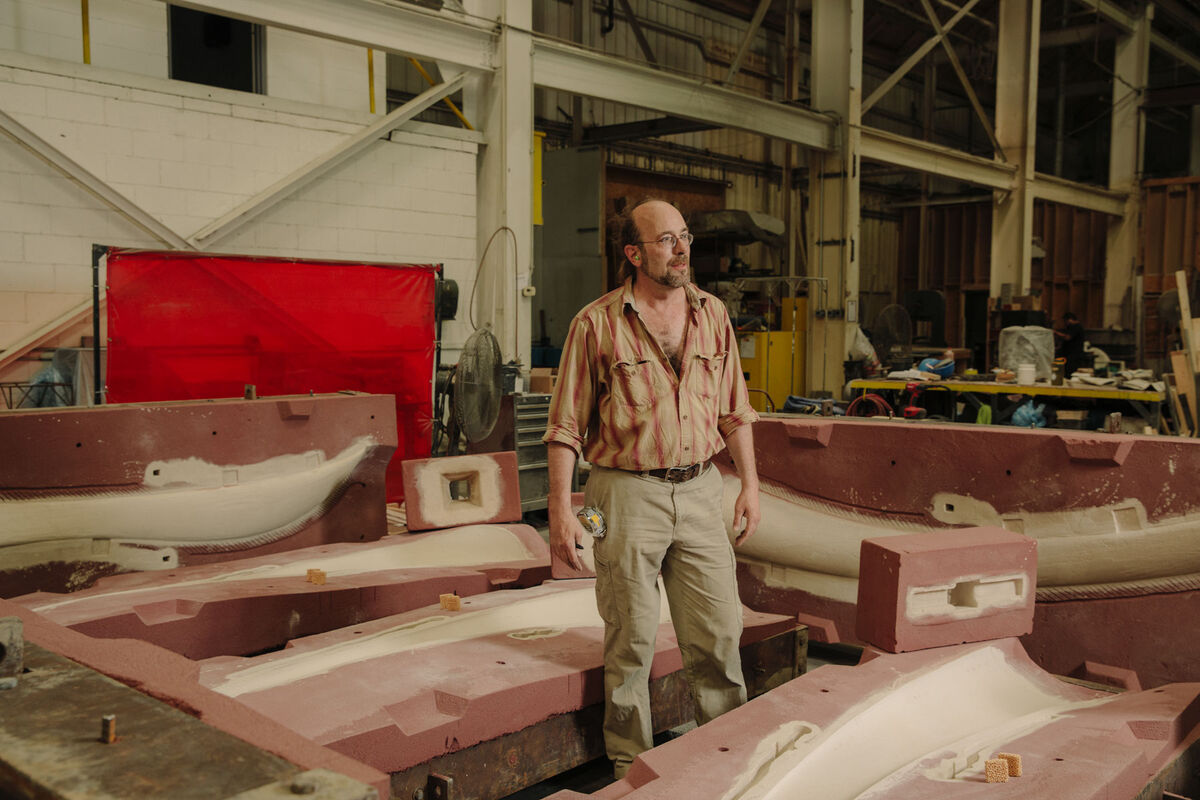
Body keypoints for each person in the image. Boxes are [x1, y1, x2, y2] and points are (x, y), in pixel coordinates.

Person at [543, 197, 761, 779]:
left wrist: (750, 486)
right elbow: (565, 426)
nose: (682, 248)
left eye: (685, 236)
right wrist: (561, 511)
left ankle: (727, 760)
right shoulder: (595, 324)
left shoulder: (713, 314)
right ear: (635, 253)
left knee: (719, 634)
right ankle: (629, 768)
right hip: (626, 494)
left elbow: (735, 410)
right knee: (631, 640)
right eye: (666, 240)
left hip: (699, 491)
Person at [1054, 311, 1085, 376]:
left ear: (1069, 319)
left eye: (1065, 321)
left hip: (1073, 354)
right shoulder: (1071, 327)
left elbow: (1068, 337)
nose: (1065, 323)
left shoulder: (1076, 327)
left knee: (1070, 372)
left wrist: (1056, 333)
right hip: (1069, 354)